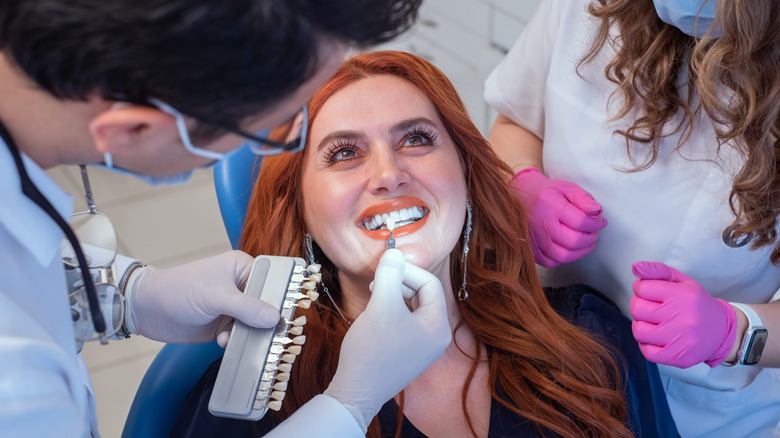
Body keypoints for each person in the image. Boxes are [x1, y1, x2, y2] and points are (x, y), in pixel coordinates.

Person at [0, 1, 462, 437]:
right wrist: (349, 405)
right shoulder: (19, 384)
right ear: (132, 130)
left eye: (417, 139)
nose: (388, 175)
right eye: (278, 126)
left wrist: (125, 294)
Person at [170, 50, 678, 437]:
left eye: (415, 139)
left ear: (467, 177)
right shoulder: (252, 402)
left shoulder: (592, 339)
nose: (389, 175)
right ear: (300, 208)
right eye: (345, 152)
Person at [483, 0, 780, 436]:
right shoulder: (589, 9)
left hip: (696, 410)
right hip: (549, 350)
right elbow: (516, 121)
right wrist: (523, 188)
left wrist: (731, 331)